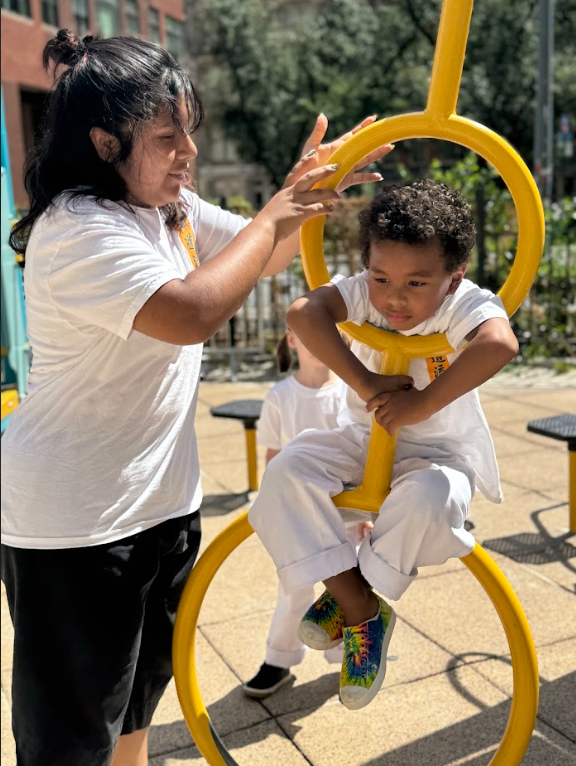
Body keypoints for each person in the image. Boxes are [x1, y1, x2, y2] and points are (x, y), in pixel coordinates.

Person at [0, 29, 392, 766]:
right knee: (70, 740)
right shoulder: (77, 230)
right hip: (75, 526)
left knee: (139, 705)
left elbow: (260, 253)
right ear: (104, 142)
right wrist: (278, 209)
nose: (189, 151)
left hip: (162, 504)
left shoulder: (166, 210)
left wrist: (303, 195)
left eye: (190, 131)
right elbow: (190, 311)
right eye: (167, 135)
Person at [249, 179, 519, 711]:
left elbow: (500, 342)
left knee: (429, 500)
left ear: (453, 277)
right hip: (365, 437)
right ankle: (359, 605)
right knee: (287, 474)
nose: (394, 296)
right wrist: (366, 383)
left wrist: (420, 405)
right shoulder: (360, 294)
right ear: (367, 266)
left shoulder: (463, 304)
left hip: (438, 454)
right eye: (380, 276)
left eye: (417, 282)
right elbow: (304, 313)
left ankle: (357, 598)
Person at [242, 330, 372, 699]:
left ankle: (346, 654)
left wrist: (365, 511)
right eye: (310, 335)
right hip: (299, 511)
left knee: (347, 585)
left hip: (343, 509)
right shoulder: (280, 396)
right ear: (292, 341)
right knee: (294, 586)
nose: (320, 343)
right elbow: (274, 457)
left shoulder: (348, 394)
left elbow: (359, 456)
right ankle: (278, 659)